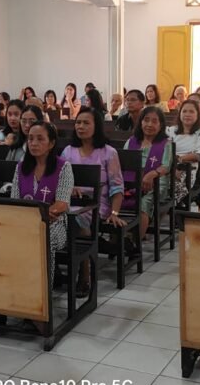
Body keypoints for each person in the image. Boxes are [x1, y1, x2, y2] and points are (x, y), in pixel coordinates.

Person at [61, 108, 126, 295]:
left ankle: (85, 272)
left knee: (76, 219)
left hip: (98, 204)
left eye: (86, 123)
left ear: (97, 126)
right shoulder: (68, 150)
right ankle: (59, 266)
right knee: (61, 216)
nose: (81, 126)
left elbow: (117, 186)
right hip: (70, 200)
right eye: (78, 122)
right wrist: (70, 185)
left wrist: (114, 213)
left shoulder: (108, 152)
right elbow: (61, 178)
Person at [12, 122, 74, 265]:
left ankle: (45, 284)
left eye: (40, 139)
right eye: (30, 138)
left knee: (45, 238)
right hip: (24, 221)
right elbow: (15, 201)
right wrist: (32, 217)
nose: (33, 143)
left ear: (51, 144)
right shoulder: (21, 167)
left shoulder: (63, 167)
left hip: (54, 223)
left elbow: (62, 204)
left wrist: (40, 216)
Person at [125, 106, 172, 248]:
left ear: (161, 125)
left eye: (154, 121)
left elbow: (166, 166)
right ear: (140, 122)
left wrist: (151, 174)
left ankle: (135, 245)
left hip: (157, 181)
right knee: (115, 197)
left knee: (144, 202)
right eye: (146, 120)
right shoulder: (132, 141)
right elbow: (123, 162)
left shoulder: (166, 143)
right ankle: (118, 240)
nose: (149, 124)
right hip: (131, 180)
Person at [167, 100, 200, 203]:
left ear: (197, 114)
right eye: (184, 111)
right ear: (180, 113)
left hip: (188, 168)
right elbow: (165, 151)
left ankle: (168, 209)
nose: (187, 114)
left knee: (172, 185)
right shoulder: (171, 130)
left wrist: (179, 161)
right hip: (168, 165)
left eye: (191, 112)